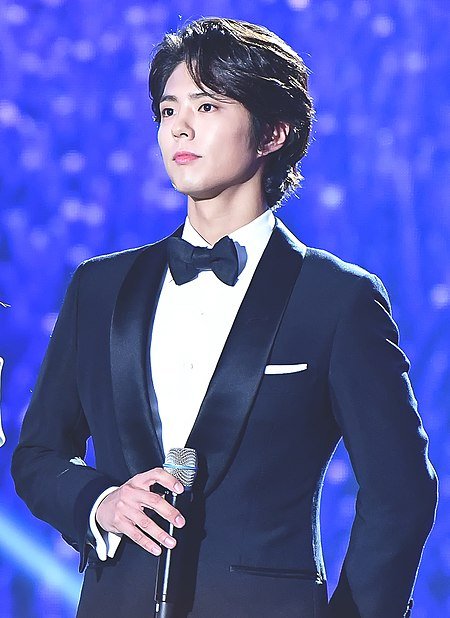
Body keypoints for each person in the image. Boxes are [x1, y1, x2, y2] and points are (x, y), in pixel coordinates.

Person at [11, 17, 437, 618]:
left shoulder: (338, 299)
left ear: (273, 133)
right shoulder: (99, 287)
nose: (179, 127)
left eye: (207, 105)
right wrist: (100, 502)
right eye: (168, 109)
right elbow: (37, 454)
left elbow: (401, 492)